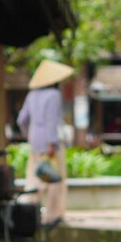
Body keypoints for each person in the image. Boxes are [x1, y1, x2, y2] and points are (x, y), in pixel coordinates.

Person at [17, 59, 74, 227]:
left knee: (34, 178)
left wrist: (30, 135)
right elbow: (51, 122)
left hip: (34, 141)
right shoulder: (54, 95)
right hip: (51, 143)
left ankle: (26, 211)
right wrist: (50, 144)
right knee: (55, 180)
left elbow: (21, 120)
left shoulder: (31, 95)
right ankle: (53, 216)